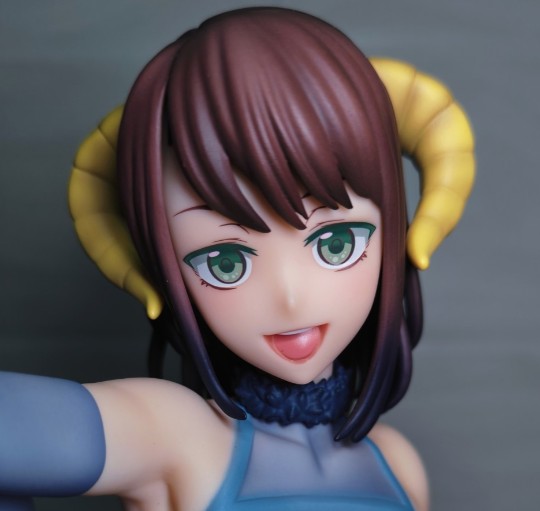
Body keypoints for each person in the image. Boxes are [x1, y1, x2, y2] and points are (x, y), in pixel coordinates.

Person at [1, 7, 474, 511]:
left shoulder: (397, 460)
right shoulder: (174, 435)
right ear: (168, 270)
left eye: (336, 244)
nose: (290, 298)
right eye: (225, 262)